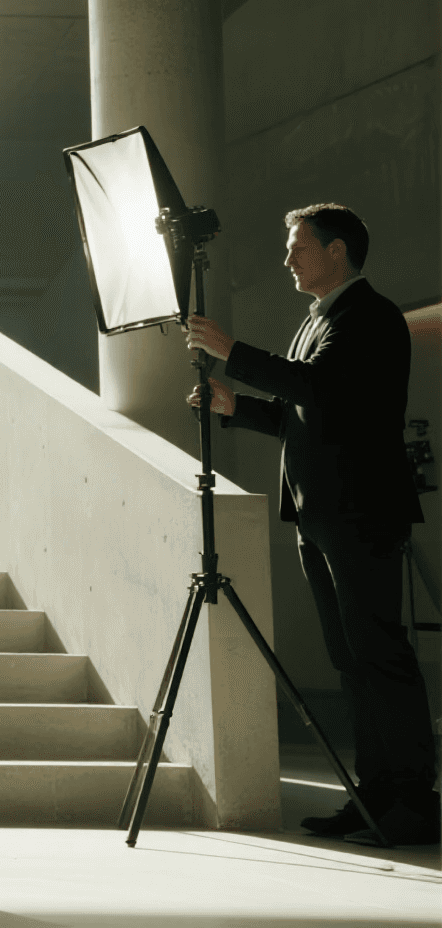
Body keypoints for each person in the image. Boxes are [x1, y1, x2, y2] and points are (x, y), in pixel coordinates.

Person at [185, 203, 435, 848]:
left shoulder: (369, 317)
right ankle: (374, 795)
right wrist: (234, 405)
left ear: (337, 251)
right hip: (323, 512)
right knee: (350, 659)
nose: (288, 259)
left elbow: (318, 391)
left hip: (359, 511)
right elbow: (306, 411)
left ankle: (410, 800)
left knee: (377, 654)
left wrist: (230, 351)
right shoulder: (318, 322)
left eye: (298, 247)